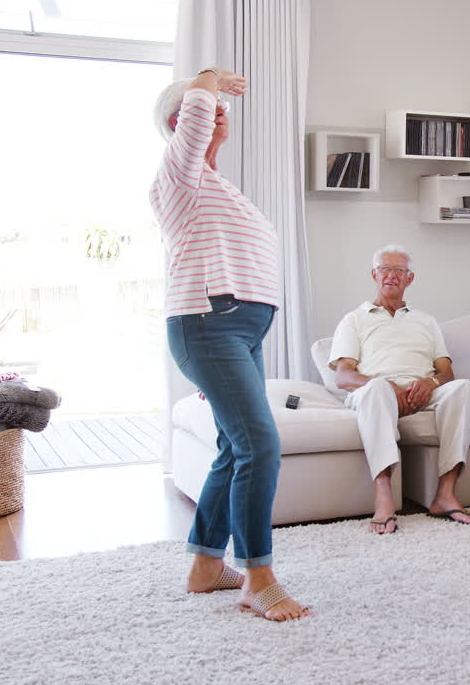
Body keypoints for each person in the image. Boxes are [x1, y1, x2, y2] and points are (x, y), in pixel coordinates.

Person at [152, 68, 308, 621]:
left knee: (233, 445)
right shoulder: (178, 175)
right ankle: (258, 578)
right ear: (181, 123)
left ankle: (205, 564)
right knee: (260, 446)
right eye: (210, 109)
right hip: (210, 323)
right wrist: (208, 77)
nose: (220, 116)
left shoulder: (214, 185)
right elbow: (196, 112)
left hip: (239, 331)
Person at [329, 245, 470, 532]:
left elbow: (446, 371)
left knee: (464, 387)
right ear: (374, 274)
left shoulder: (427, 321)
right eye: (385, 269)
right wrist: (386, 386)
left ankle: (446, 493)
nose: (391, 275)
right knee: (377, 388)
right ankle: (384, 495)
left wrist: (430, 383)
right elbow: (344, 376)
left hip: (423, 393)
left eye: (399, 270)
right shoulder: (354, 319)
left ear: (410, 279)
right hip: (376, 392)